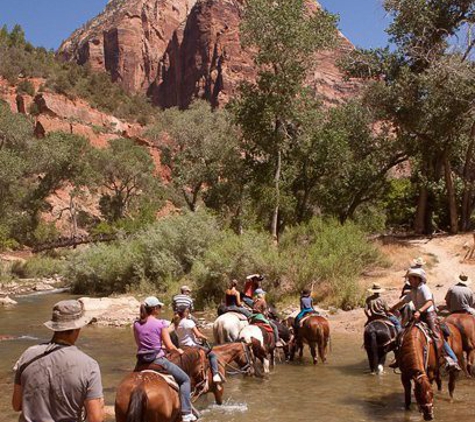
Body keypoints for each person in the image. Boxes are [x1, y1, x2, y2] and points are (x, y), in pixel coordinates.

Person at [12, 299, 104, 422]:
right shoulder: (89, 365)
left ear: (54, 327)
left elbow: (16, 405)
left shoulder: (28, 355)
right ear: (77, 328)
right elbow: (95, 419)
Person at [134, 296, 197, 422]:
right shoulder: (160, 324)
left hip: (140, 362)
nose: (161, 309)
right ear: (155, 309)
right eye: (159, 307)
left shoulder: (136, 324)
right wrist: (177, 350)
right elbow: (169, 346)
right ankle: (186, 413)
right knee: (185, 380)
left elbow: (139, 343)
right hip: (157, 361)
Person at [390, 267, 460, 372]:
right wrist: (392, 309)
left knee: (437, 335)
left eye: (410, 279)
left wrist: (420, 311)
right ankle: (399, 358)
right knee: (403, 334)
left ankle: (451, 359)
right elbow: (404, 301)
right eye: (408, 279)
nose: (409, 281)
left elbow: (430, 302)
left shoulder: (424, 288)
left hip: (429, 315)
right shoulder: (413, 290)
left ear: (417, 279)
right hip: (418, 315)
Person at [174, 306, 222, 384]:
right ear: (185, 313)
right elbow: (198, 335)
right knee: (212, 354)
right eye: (187, 311)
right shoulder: (189, 322)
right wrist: (205, 338)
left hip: (182, 347)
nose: (188, 313)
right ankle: (216, 374)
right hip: (192, 346)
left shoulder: (176, 323)